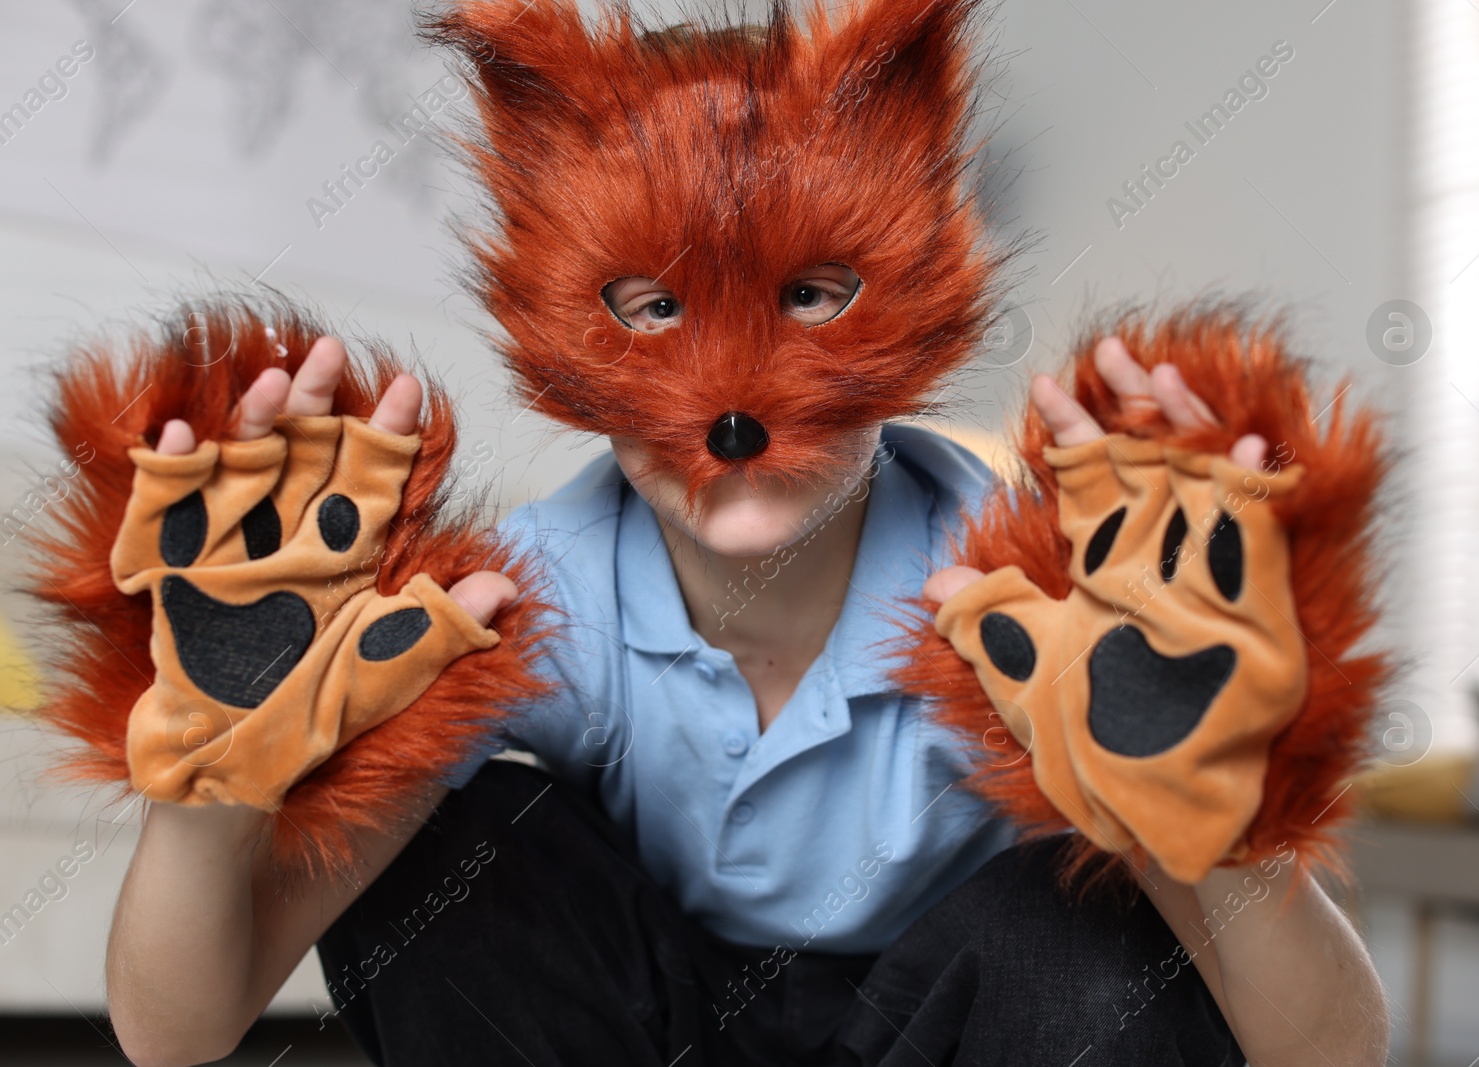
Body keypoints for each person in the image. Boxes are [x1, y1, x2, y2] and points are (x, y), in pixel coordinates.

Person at [86, 2, 1387, 1064]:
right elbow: (172, 1035)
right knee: (460, 856)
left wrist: (1212, 819)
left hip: (951, 1032)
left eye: (810, 296)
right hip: (641, 1033)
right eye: (651, 309)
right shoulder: (525, 597)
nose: (730, 402)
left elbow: (1329, 1052)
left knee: (1080, 918)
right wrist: (218, 780)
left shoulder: (1031, 596)